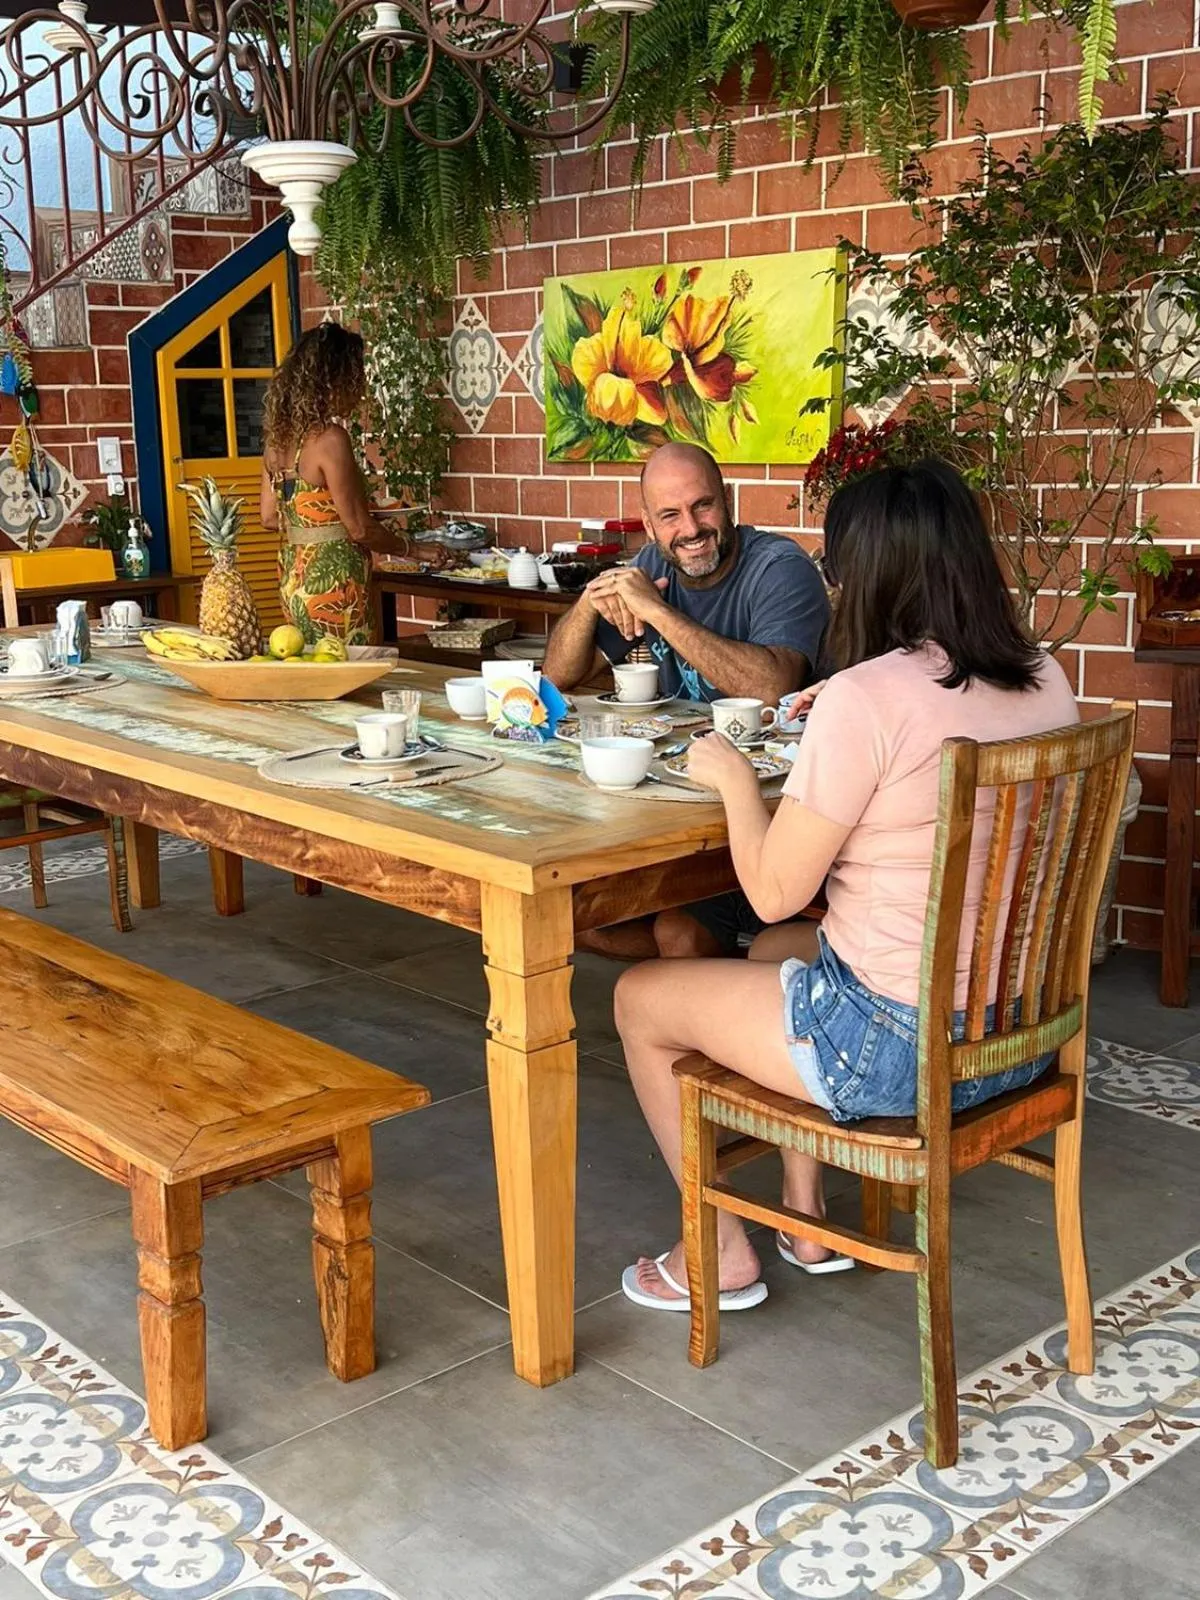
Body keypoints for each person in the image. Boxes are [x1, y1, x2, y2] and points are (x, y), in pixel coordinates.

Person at [613, 459, 1079, 1312]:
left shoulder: (866, 700)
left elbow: (771, 894)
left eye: (836, 567)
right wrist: (840, 702)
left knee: (641, 999)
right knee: (789, 955)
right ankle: (803, 1215)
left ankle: (714, 1249)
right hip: (1014, 1034)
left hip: (894, 1050)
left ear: (869, 575)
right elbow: (930, 709)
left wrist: (729, 779)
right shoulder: (1045, 676)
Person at [544, 441, 830, 960]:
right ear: (650, 527)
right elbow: (557, 680)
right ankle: (718, 979)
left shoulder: (779, 568)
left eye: (703, 506)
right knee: (572, 914)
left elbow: (771, 685)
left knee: (676, 932)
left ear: (728, 503)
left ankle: (711, 990)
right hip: (672, 805)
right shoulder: (653, 562)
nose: (691, 529)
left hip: (762, 821)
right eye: (670, 516)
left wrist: (657, 612)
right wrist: (592, 600)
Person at [260, 321, 446, 647]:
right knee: (348, 672)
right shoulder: (330, 439)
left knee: (309, 669)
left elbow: (270, 518)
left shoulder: (277, 440)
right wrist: (416, 550)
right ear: (333, 380)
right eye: (355, 376)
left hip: (294, 579)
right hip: (336, 587)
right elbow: (359, 528)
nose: (359, 388)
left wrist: (320, 518)